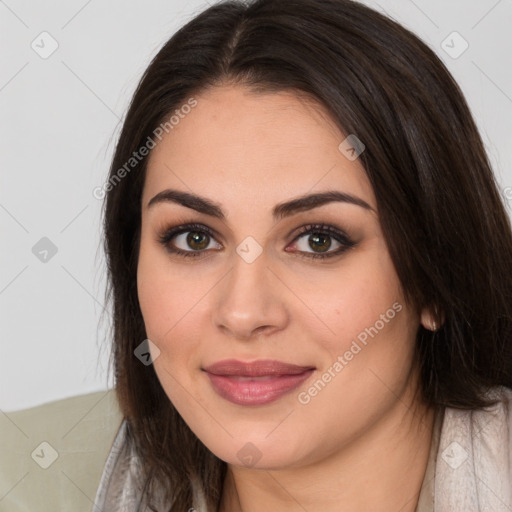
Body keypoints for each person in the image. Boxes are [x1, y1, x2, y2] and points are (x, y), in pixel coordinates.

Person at [4, 0, 511, 511]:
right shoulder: (20, 477)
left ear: (435, 278)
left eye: (318, 240)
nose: (243, 313)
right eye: (194, 238)